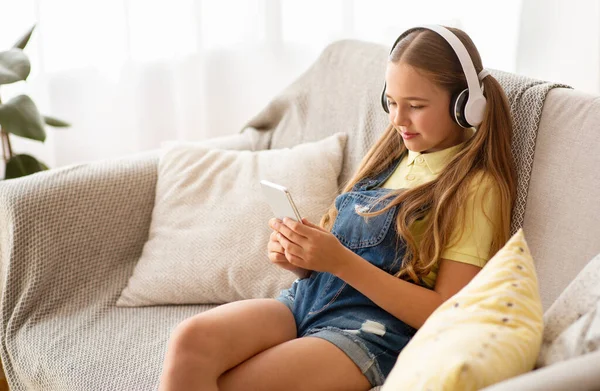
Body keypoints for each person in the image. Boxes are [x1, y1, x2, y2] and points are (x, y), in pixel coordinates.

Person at [157, 24, 516, 391]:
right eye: (391, 102)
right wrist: (302, 260)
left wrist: (339, 261)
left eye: (416, 106)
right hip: (309, 299)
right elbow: (337, 261)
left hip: (369, 331)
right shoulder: (391, 156)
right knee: (190, 341)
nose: (398, 120)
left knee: (235, 383)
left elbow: (448, 312)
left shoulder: (474, 187)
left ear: (464, 107)